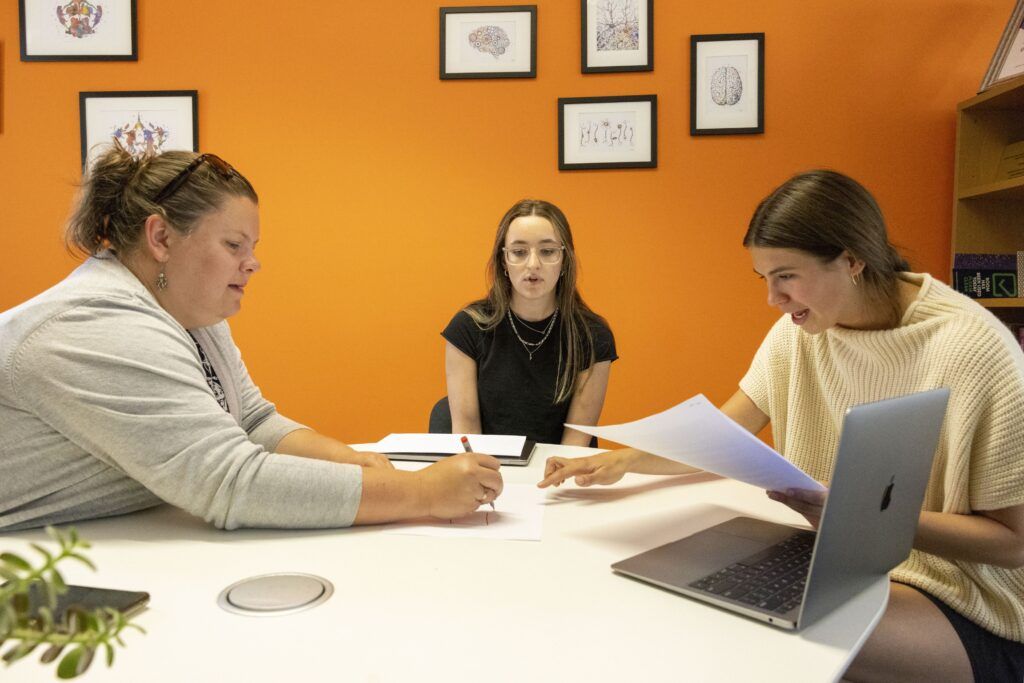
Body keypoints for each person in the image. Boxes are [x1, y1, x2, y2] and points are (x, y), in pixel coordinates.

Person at [539, 171, 1024, 682]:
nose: (773, 299)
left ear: (853, 259)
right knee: (675, 591)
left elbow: (1012, 543)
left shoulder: (976, 350)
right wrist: (617, 461)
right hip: (842, 564)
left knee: (749, 638)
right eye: (763, 279)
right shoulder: (799, 333)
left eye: (786, 276)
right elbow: (725, 434)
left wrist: (856, 516)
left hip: (969, 605)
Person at [0, 146, 502, 532]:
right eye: (233, 244)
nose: (253, 262)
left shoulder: (193, 313)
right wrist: (419, 493)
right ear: (161, 238)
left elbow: (251, 419)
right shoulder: (94, 327)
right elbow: (230, 481)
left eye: (252, 246)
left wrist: (351, 462)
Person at [442, 199, 616, 446]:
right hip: (489, 474)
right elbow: (467, 434)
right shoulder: (468, 328)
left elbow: (575, 442)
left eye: (547, 251)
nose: (533, 264)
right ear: (504, 261)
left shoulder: (592, 336)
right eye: (519, 252)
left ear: (565, 260)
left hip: (559, 475)